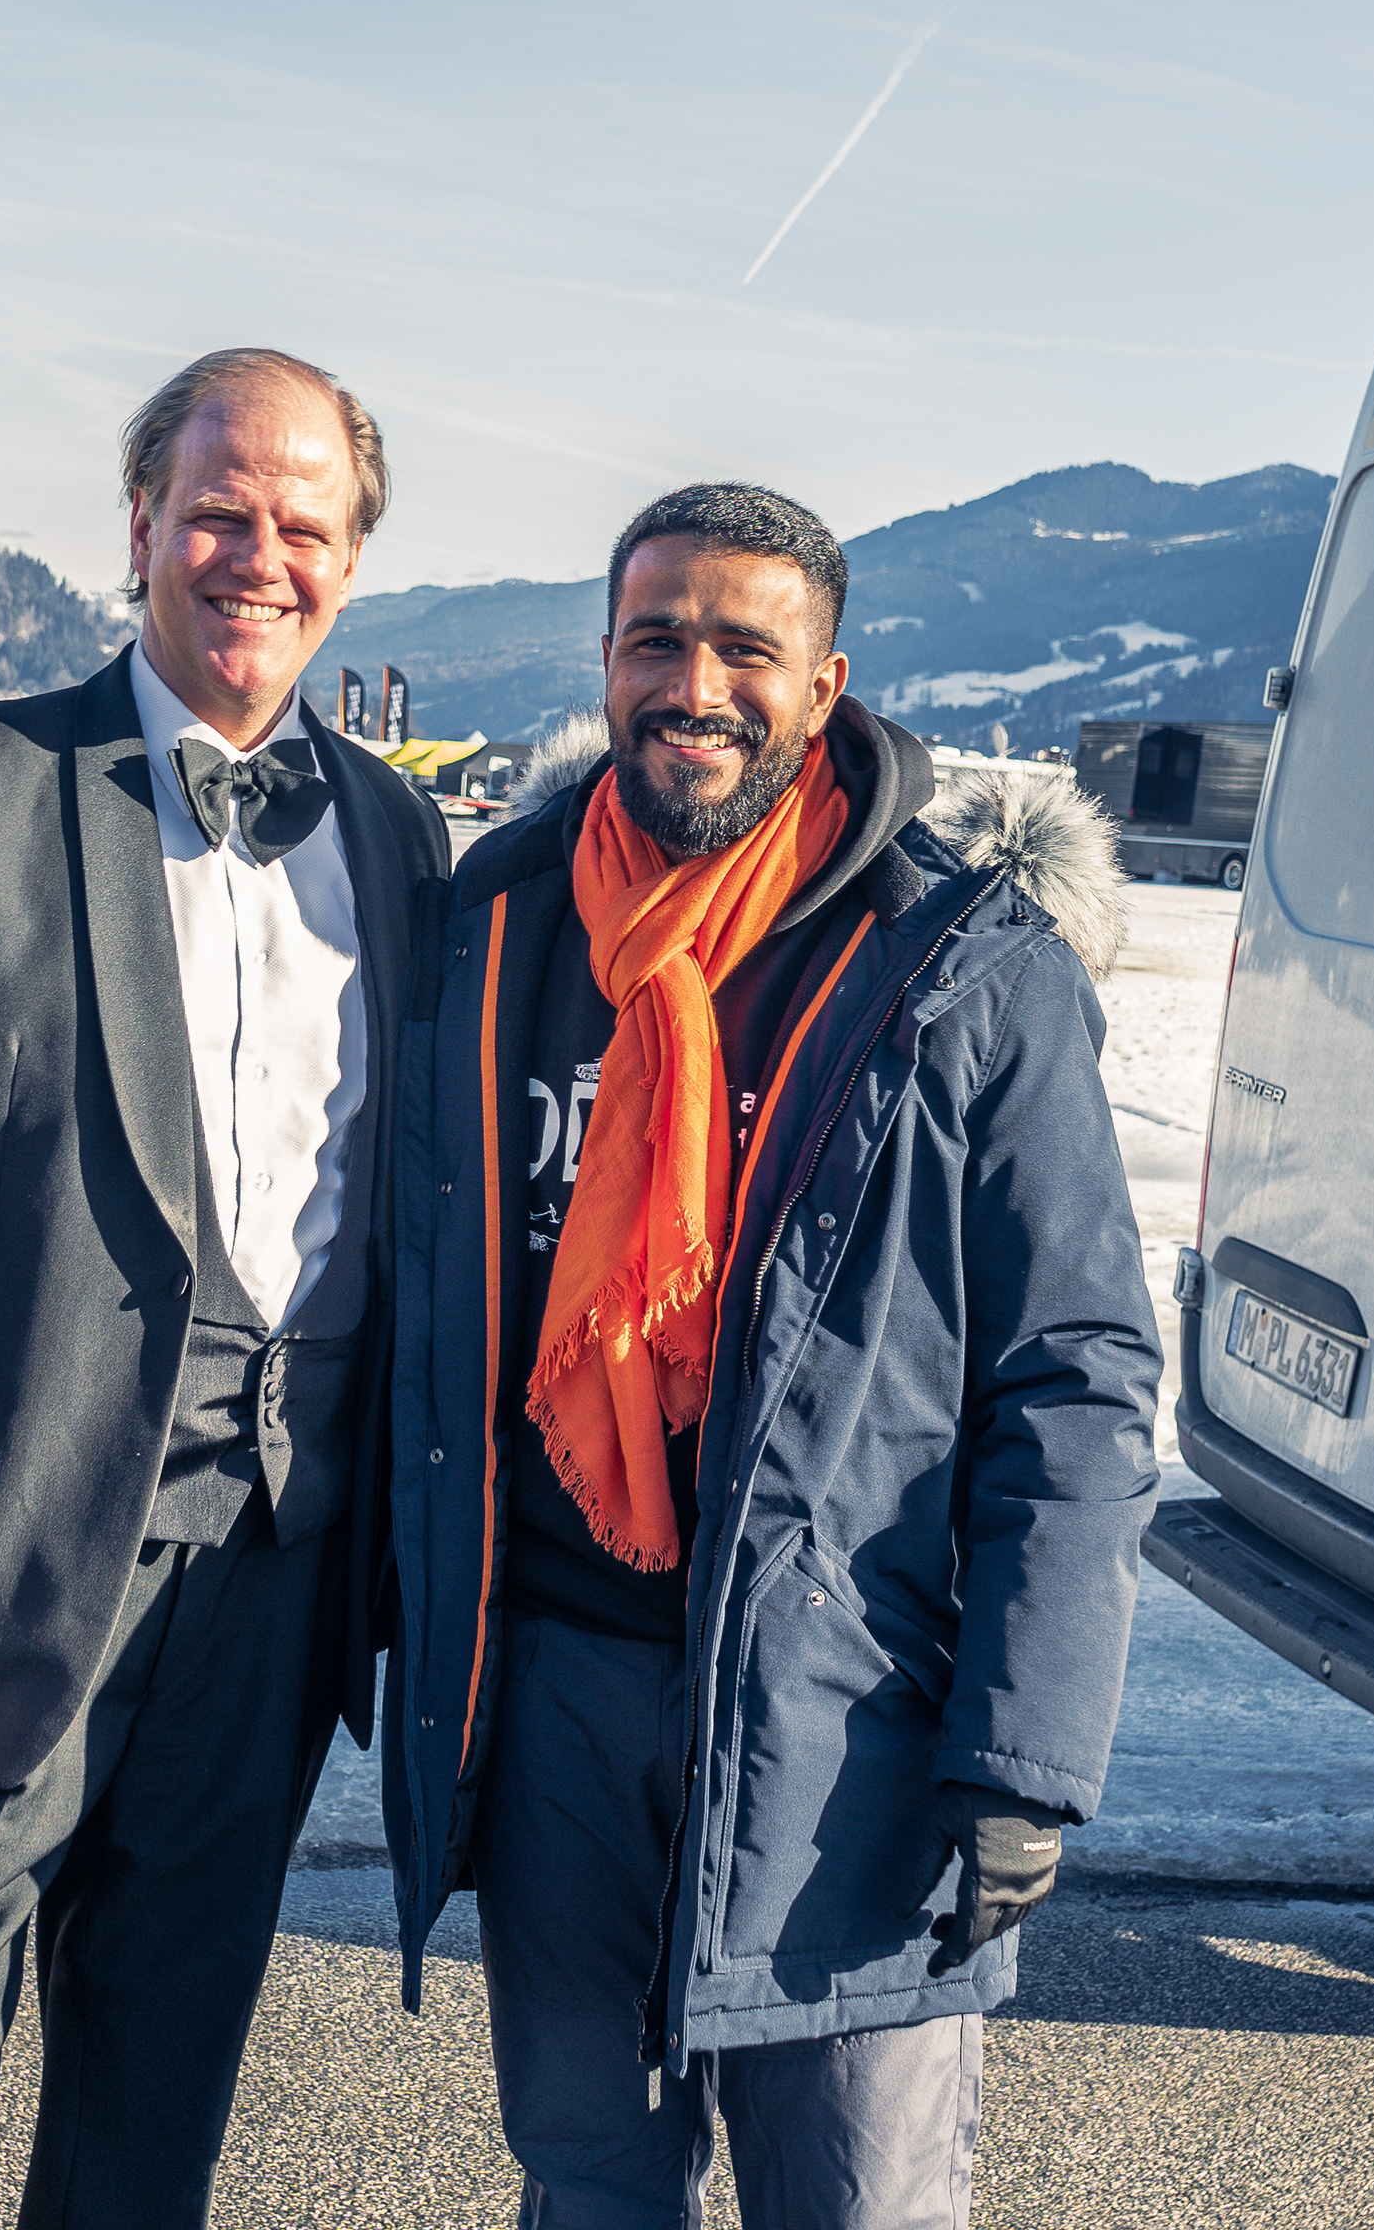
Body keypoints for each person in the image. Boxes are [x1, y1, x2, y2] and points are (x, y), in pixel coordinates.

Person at [381, 484, 1160, 2228]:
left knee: (859, 2205)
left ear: (825, 686)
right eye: (657, 640)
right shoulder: (500, 925)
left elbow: (1078, 1374)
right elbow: (423, 1309)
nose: (697, 684)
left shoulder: (958, 964)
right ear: (606, 658)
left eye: (747, 647)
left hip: (847, 1720)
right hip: (556, 1698)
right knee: (587, 2186)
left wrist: (1024, 1750)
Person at [0, 348, 450, 2230]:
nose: (259, 558)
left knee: (151, 2127)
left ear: (353, 561)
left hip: (272, 1581)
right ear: (140, 527)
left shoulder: (395, 837)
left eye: (304, 526)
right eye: (219, 513)